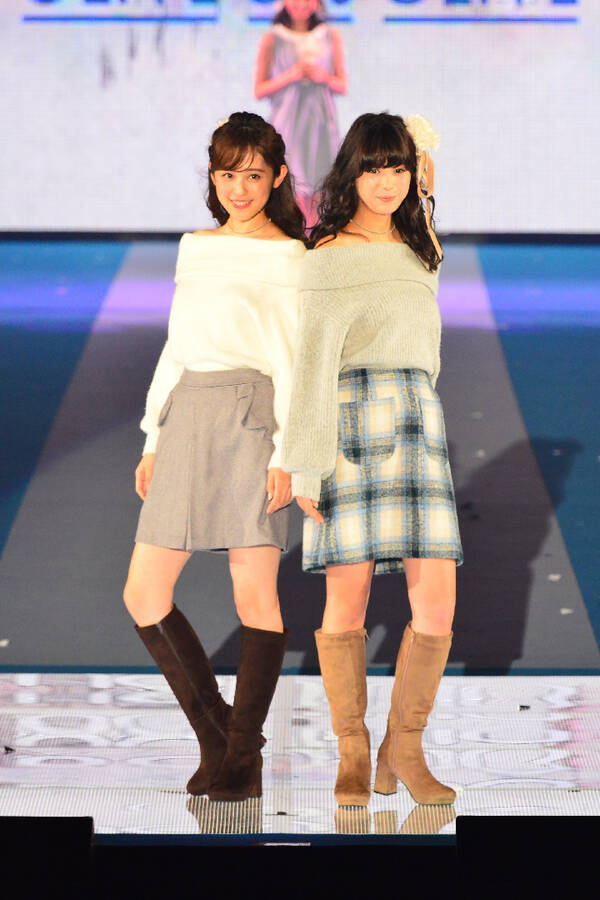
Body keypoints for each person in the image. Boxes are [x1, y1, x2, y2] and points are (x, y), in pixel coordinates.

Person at [123, 112, 306, 803]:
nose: (240, 187)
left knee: (253, 591)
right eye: (229, 173)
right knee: (143, 592)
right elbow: (177, 345)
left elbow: (293, 361)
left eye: (254, 174)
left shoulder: (290, 256)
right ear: (213, 175)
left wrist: (288, 453)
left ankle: (242, 756)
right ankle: (219, 738)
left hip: (253, 418)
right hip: (187, 413)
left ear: (278, 177)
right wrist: (153, 436)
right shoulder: (195, 247)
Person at [281, 112, 462, 807]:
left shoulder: (421, 247)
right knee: (347, 598)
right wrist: (304, 463)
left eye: (398, 167)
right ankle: (353, 751)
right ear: (350, 173)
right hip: (350, 424)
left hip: (418, 421)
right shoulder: (327, 256)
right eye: (373, 167)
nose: (386, 181)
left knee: (437, 602)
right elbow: (311, 366)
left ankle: (403, 749)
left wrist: (427, 182)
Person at [254, 0, 347, 226]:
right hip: (287, 122)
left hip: (320, 122)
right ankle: (294, 234)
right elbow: (259, 90)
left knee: (321, 182)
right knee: (291, 183)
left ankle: (315, 235)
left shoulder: (330, 36)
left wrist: (321, 77)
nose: (301, 4)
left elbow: (342, 85)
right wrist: (292, 75)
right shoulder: (272, 38)